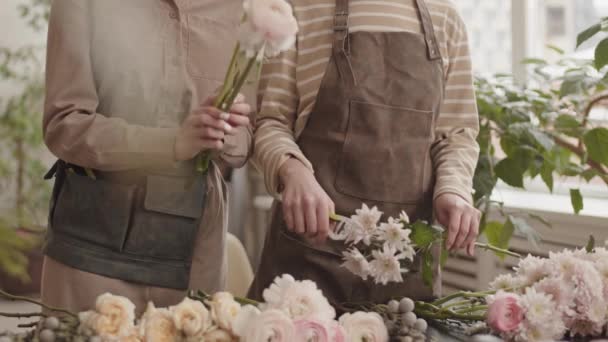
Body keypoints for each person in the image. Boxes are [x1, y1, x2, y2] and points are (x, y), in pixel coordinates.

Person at [250, 0, 481, 307]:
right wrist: (293, 171)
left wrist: (453, 190)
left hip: (404, 266)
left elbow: (456, 135)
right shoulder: (296, 11)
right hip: (308, 263)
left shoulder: (445, 19)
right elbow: (270, 121)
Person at [41, 0, 253, 314]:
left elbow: (247, 137)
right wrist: (171, 143)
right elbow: (64, 124)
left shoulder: (244, 11)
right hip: (93, 247)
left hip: (194, 256)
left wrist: (227, 131)